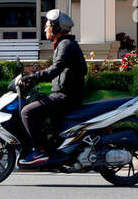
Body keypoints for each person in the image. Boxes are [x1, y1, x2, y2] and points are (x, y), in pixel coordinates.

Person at [18, 9, 88, 166]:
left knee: (27, 112)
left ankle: (39, 152)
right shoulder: (64, 45)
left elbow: (54, 70)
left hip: (66, 97)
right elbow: (57, 72)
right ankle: (49, 146)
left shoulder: (66, 45)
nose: (45, 29)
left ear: (56, 28)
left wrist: (31, 78)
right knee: (37, 103)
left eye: (47, 25)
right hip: (64, 94)